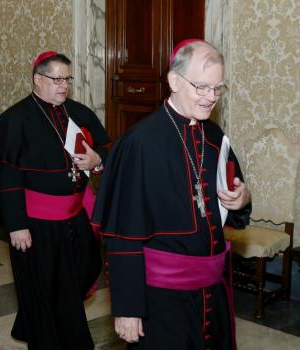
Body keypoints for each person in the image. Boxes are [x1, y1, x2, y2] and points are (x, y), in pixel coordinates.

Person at [92, 39, 252, 349]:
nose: (211, 98)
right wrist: (128, 309)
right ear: (174, 81)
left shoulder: (216, 137)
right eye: (201, 87)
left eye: (218, 88)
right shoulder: (140, 143)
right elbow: (122, 235)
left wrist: (241, 199)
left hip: (213, 290)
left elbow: (236, 209)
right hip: (161, 298)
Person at [0, 51, 110, 349]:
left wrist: (97, 160)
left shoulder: (78, 113)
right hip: (35, 223)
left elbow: (107, 150)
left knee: (80, 274)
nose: (63, 85)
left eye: (67, 79)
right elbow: (7, 178)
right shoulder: (15, 120)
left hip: (75, 216)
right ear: (38, 80)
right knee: (41, 290)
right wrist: (16, 226)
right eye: (56, 79)